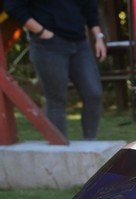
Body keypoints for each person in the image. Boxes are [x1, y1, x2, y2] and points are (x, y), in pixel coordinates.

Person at [5, 0, 107, 141]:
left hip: (80, 43)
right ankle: (59, 146)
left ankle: (90, 143)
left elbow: (89, 8)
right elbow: (13, 7)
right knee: (56, 99)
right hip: (48, 45)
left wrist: (98, 37)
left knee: (93, 93)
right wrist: (42, 32)